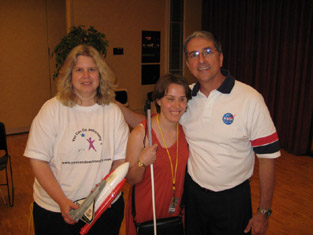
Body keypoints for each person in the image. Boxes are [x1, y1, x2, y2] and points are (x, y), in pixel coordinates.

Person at [117, 31, 281, 235]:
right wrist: (115, 106)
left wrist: (263, 211)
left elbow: (267, 157)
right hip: (193, 198)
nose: (201, 60)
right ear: (187, 63)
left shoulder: (249, 99)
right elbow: (152, 124)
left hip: (233, 200)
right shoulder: (186, 97)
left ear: (220, 57)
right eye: (193, 55)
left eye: (207, 52)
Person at [24, 45, 129, 235]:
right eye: (79, 70)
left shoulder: (113, 112)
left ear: (100, 74)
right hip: (56, 210)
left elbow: (119, 161)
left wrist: (101, 198)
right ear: (69, 76)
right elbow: (38, 160)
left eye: (92, 69)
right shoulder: (52, 110)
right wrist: (62, 201)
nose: (86, 76)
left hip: (103, 210)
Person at [125, 74, 191, 235]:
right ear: (159, 100)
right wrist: (142, 162)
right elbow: (130, 179)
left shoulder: (187, 132)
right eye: (170, 99)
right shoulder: (141, 133)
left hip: (175, 211)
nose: (177, 105)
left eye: (182, 99)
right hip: (146, 211)